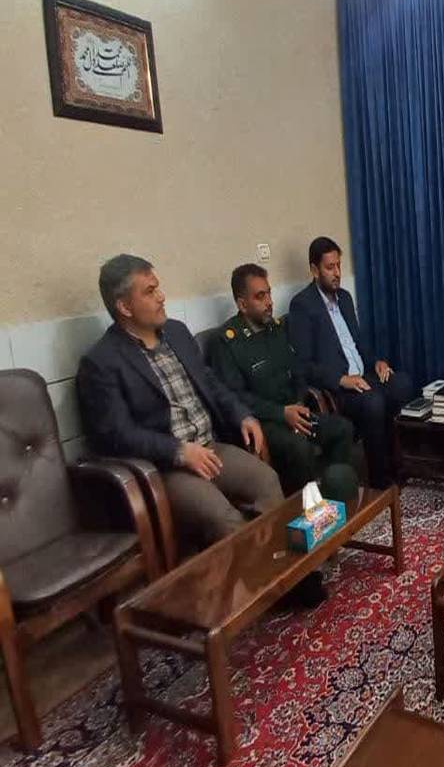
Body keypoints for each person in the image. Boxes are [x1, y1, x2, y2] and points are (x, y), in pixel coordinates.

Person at [77, 255, 285, 552]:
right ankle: (254, 577)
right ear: (124, 307)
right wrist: (178, 451)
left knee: (267, 482)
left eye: (158, 287)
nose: (162, 297)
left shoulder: (176, 333)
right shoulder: (101, 362)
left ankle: (275, 563)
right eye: (150, 292)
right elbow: (116, 435)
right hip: (167, 467)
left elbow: (211, 383)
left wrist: (243, 416)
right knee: (223, 518)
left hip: (211, 448)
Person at [209, 264, 357, 494]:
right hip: (266, 423)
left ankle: (336, 496)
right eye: (260, 296)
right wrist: (281, 413)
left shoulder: (276, 328)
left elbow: (297, 370)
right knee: (299, 448)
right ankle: (309, 510)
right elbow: (236, 398)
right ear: (242, 304)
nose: (269, 302)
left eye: (269, 293)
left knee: (342, 429)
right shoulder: (227, 341)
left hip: (294, 412)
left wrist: (299, 401)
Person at [288, 236, 414, 489]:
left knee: (402, 384)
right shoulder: (302, 305)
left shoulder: (344, 298)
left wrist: (376, 362)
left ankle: (396, 465)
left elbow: (358, 343)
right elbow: (303, 364)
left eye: (338, 266)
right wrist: (341, 379)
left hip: (364, 376)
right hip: (338, 389)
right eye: (330, 267)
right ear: (314, 270)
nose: (337, 273)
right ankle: (380, 481)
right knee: (374, 402)